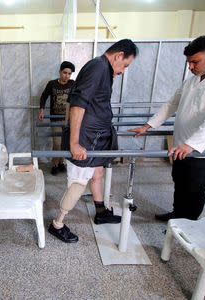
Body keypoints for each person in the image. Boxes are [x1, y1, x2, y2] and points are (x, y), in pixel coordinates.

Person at [128, 36, 205, 221]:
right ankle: (177, 215)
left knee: (195, 187)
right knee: (180, 182)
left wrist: (191, 144)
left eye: (195, 62)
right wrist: (149, 125)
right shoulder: (193, 79)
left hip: (203, 148)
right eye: (189, 62)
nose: (190, 67)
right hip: (181, 144)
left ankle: (188, 225)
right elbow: (172, 103)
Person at [48, 39, 138, 243]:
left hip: (95, 136)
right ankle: (57, 224)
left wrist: (67, 127)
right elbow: (78, 105)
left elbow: (72, 99)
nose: (123, 71)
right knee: (78, 181)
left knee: (97, 172)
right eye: (125, 65)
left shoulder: (103, 69)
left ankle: (101, 211)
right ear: (118, 55)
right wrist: (74, 142)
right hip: (86, 138)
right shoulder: (98, 67)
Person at [39, 61, 75, 175]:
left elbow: (78, 98)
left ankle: (61, 162)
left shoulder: (73, 84)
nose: (67, 76)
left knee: (65, 144)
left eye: (69, 74)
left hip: (68, 119)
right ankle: (54, 164)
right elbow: (44, 96)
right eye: (65, 73)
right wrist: (42, 110)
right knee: (57, 144)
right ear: (60, 72)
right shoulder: (52, 84)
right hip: (55, 119)